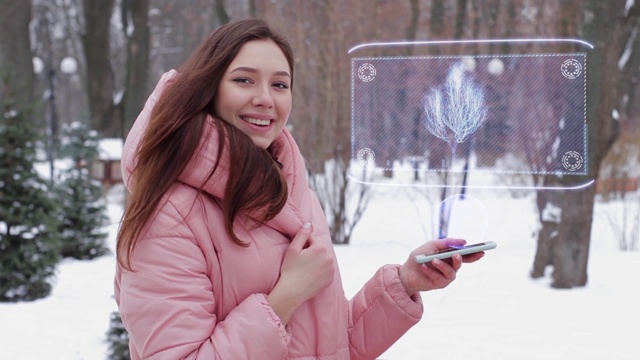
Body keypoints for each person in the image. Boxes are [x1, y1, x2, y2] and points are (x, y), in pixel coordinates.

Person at [114, 18, 485, 360]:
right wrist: (286, 296)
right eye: (244, 80)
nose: (265, 98)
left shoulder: (291, 193)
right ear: (207, 90)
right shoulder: (168, 218)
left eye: (280, 84)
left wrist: (405, 282)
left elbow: (332, 345)